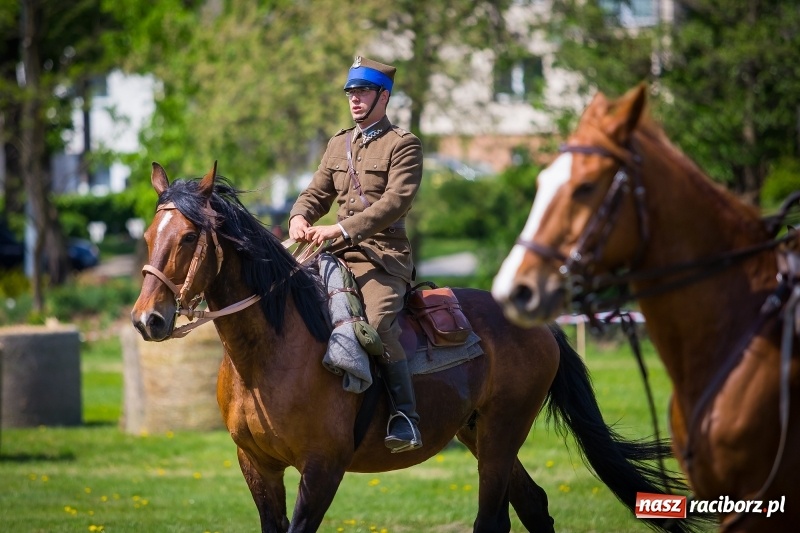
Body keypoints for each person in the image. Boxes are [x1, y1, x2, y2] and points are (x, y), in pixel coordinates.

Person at [288, 56, 424, 453]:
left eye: (363, 91)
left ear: (384, 96)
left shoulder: (403, 144)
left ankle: (405, 417)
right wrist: (299, 217)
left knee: (377, 325)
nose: (355, 99)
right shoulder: (338, 143)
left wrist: (341, 228)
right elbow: (316, 192)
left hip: (382, 257)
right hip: (332, 254)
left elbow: (395, 202)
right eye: (351, 92)